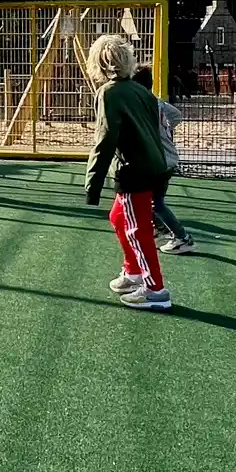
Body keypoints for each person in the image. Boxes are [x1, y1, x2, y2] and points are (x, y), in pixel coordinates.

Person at [84, 34, 172, 310]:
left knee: (137, 229)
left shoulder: (108, 93)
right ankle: (133, 272)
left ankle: (155, 289)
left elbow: (105, 138)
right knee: (118, 217)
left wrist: (92, 183)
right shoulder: (141, 90)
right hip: (155, 165)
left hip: (135, 170)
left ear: (98, 64)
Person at [134, 64, 195, 253]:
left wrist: (157, 133)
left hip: (161, 160)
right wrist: (166, 130)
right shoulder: (156, 101)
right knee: (150, 199)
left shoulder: (143, 104)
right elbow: (176, 115)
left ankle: (182, 237)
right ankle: (161, 228)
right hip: (167, 158)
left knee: (156, 202)